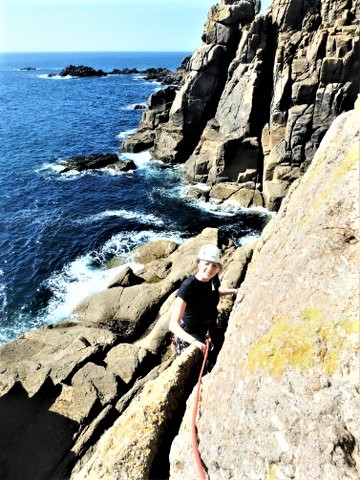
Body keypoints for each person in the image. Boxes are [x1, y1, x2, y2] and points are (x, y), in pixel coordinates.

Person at [169, 244, 239, 358]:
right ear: (199, 263)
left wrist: (235, 291)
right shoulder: (188, 287)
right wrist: (194, 342)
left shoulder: (213, 279)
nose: (210, 268)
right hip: (193, 332)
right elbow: (173, 324)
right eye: (206, 263)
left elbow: (213, 293)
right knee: (208, 364)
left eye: (214, 265)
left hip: (211, 327)